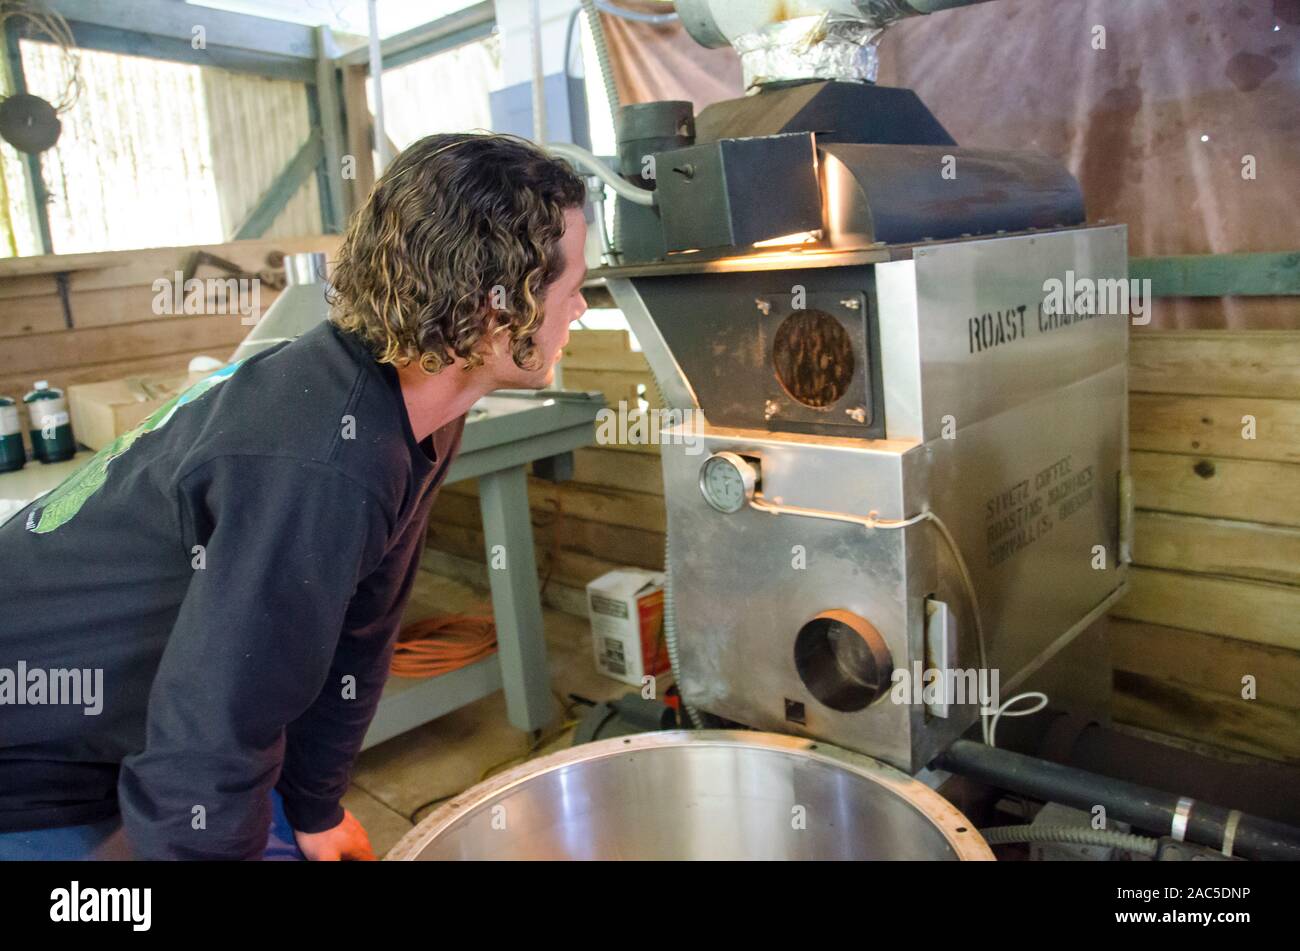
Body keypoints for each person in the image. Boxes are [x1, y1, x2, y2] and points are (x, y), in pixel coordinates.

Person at [0, 133, 589, 860]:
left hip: (134, 730)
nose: (583, 307)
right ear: (491, 310)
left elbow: (364, 625)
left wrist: (315, 803)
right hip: (30, 762)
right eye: (572, 289)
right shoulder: (321, 462)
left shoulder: (420, 405)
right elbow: (209, 734)